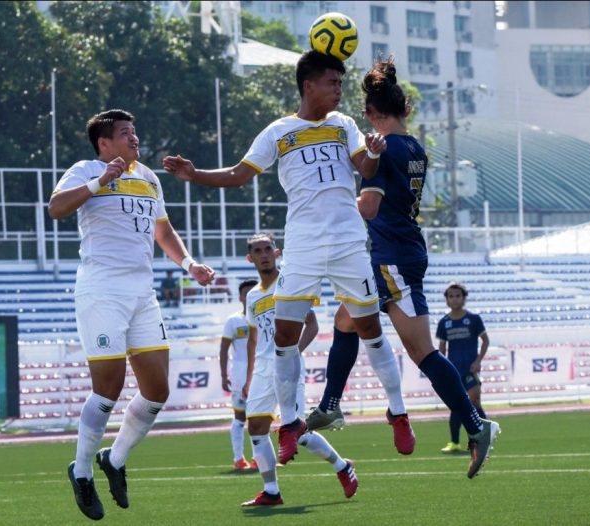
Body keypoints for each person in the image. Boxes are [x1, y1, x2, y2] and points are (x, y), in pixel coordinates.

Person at [163, 50, 414, 464]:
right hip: (302, 246)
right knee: (283, 337)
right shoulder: (278, 131)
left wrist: (372, 152)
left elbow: (366, 172)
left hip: (349, 240)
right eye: (332, 82)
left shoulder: (345, 125)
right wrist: (194, 174)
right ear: (308, 85)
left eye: (340, 83)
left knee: (370, 328)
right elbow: (239, 174)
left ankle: (398, 412)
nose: (339, 90)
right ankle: (292, 423)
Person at [305, 57, 500, 479]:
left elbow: (370, 206)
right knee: (351, 321)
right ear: (404, 110)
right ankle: (332, 405)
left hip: (391, 256)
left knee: (417, 349)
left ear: (371, 115)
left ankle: (475, 424)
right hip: (402, 252)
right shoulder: (413, 147)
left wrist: (338, 200)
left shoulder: (386, 149)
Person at [48, 109, 215, 521]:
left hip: (143, 293)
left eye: (135, 132)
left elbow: (163, 231)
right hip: (102, 291)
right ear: (105, 143)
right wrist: (98, 182)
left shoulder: (150, 177)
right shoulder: (86, 168)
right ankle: (82, 472)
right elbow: (55, 208)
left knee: (157, 390)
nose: (134, 139)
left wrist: (189, 264)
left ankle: (115, 459)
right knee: (108, 388)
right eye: (126, 133)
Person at [240, 233, 358, 507]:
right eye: (258, 251)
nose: (264, 254)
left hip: (288, 365)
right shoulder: (253, 296)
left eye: (268, 248)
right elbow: (253, 338)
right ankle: (271, 491)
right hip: (262, 368)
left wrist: (291, 355)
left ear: (277, 251)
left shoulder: (289, 284)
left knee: (299, 432)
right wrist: (248, 377)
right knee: (256, 427)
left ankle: (342, 466)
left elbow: (312, 325)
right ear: (250, 258)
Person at [437, 282, 489, 453]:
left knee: (474, 402)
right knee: (456, 405)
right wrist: (443, 367)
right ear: (447, 299)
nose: (455, 299)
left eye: (458, 295)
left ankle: (485, 436)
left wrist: (478, 361)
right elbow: (442, 348)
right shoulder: (444, 322)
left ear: (464, 298)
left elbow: (485, 340)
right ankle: (454, 442)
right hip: (453, 371)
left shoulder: (473, 319)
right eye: (451, 296)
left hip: (470, 369)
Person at [219, 278, 259, 471]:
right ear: (240, 297)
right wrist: (223, 375)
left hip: (261, 373)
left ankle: (258, 458)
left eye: (254, 292)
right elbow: (223, 349)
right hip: (240, 374)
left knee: (259, 417)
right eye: (246, 293)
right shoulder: (233, 321)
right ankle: (238, 459)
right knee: (241, 417)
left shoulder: (264, 318)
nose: (250, 296)